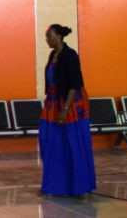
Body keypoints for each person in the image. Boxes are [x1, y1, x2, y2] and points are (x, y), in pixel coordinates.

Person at [39, 24, 96, 196]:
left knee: (73, 144)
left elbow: (75, 84)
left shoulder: (70, 55)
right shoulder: (52, 55)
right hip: (53, 102)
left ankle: (78, 186)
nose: (47, 40)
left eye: (49, 36)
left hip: (69, 104)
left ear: (58, 37)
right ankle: (56, 185)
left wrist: (65, 110)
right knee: (50, 143)